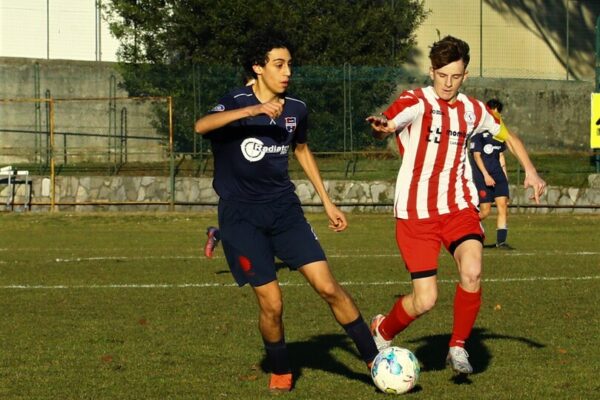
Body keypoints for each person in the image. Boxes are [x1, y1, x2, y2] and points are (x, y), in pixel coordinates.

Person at [195, 32, 378, 392]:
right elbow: (201, 126)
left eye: (290, 64)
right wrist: (253, 111)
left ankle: (375, 359)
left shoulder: (296, 109)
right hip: (241, 218)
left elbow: (303, 150)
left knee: (328, 287)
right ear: (258, 68)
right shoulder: (235, 102)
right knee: (273, 304)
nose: (287, 71)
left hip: (285, 212)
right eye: (279, 64)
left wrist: (327, 200)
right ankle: (280, 368)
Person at [366, 35, 546, 375]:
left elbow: (508, 135)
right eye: (442, 75)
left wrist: (532, 172)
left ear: (465, 75)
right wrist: (382, 127)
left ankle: (458, 347)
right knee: (426, 300)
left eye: (456, 76)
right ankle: (383, 329)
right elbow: (389, 123)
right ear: (432, 71)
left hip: (458, 207)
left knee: (473, 270)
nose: (448, 83)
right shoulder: (415, 101)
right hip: (416, 214)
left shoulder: (474, 110)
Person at [203, 78, 255, 259]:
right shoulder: (232, 104)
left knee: (254, 228)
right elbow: (205, 125)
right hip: (237, 181)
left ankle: (217, 234)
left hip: (258, 178)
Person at [469, 99, 513, 249]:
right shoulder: (478, 133)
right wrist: (486, 176)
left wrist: (505, 178)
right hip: (483, 177)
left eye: (498, 111)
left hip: (498, 175)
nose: (496, 114)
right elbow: (476, 156)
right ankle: (467, 231)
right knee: (485, 211)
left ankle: (501, 242)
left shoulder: (499, 134)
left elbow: (501, 156)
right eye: (493, 110)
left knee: (503, 206)